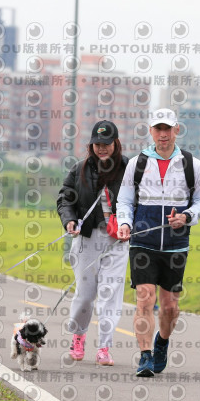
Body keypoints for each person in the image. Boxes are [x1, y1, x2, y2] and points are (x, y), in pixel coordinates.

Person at [116, 108, 200, 377]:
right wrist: (125, 223)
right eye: (158, 129)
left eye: (167, 128)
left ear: (176, 130)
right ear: (151, 131)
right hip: (142, 242)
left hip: (175, 245)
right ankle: (145, 356)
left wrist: (186, 216)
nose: (163, 134)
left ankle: (162, 341)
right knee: (145, 298)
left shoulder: (192, 164)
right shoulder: (137, 163)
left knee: (169, 307)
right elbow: (124, 200)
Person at [57, 120, 130, 366]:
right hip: (87, 238)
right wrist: (69, 220)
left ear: (115, 143)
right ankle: (78, 337)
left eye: (106, 143)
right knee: (85, 295)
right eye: (97, 144)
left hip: (117, 240)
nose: (102, 148)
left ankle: (104, 347)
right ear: (91, 145)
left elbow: (140, 200)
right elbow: (65, 199)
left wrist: (131, 225)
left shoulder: (129, 169)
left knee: (110, 294)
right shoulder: (79, 169)